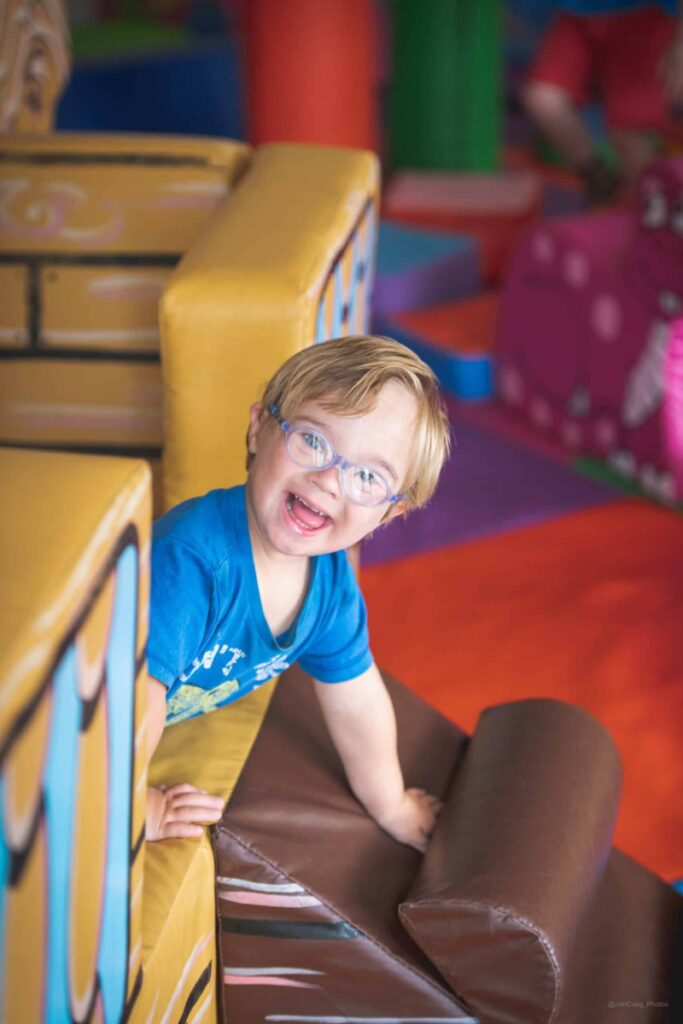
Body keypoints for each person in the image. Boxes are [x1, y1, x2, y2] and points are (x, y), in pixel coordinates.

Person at [144, 335, 451, 852]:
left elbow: (357, 701)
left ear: (390, 513)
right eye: (313, 440)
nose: (330, 479)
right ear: (258, 428)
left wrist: (392, 804)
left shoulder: (328, 584)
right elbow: (129, 701)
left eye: (368, 476)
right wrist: (132, 805)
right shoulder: (194, 564)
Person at [521, 1, 683, 204]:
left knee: (629, 129)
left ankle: (652, 206)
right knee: (543, 98)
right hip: (578, 15)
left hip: (643, 17)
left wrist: (680, 42)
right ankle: (602, 179)